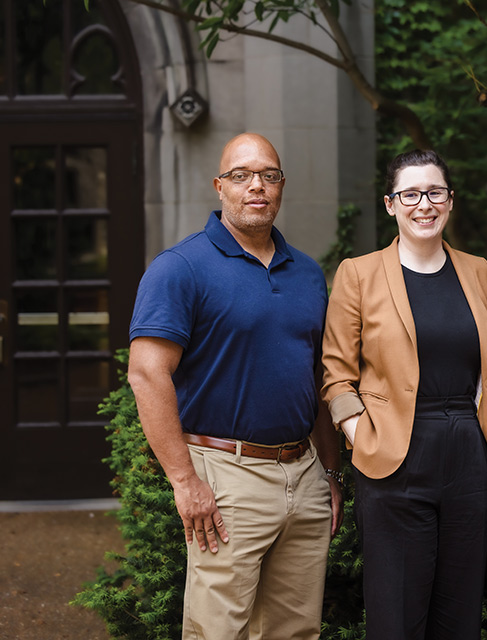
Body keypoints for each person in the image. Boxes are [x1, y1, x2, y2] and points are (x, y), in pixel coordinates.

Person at [127, 132, 343, 640]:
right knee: (218, 632)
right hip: (226, 477)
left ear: (282, 186)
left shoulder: (307, 274)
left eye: (269, 175)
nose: (257, 187)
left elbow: (316, 378)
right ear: (219, 186)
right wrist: (185, 482)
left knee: (295, 631)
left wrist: (330, 472)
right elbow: (146, 373)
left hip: (304, 473)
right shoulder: (180, 269)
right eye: (242, 176)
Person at [321, 149, 487, 640]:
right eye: (411, 194)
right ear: (391, 204)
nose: (423, 204)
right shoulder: (358, 274)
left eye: (435, 193)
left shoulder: (478, 272)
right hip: (393, 458)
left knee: (460, 612)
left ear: (450, 202)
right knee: (396, 616)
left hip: (470, 457)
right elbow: (336, 375)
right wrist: (361, 434)